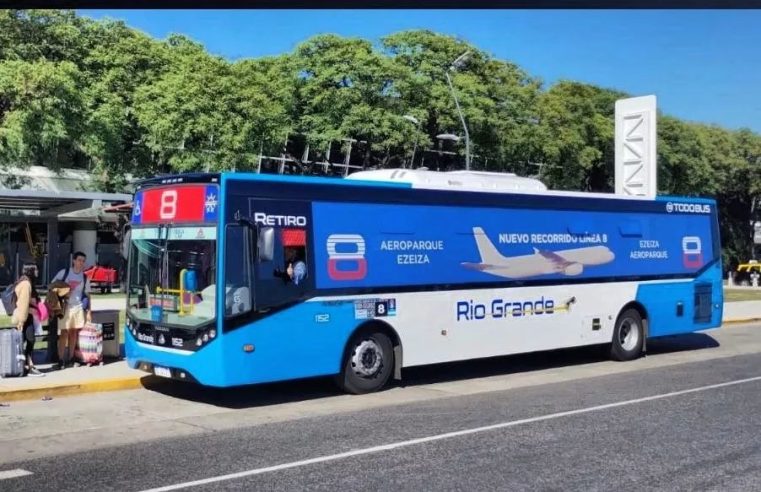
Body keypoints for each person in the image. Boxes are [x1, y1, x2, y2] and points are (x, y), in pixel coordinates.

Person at [52, 251, 92, 369]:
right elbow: (52, 286)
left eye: (83, 261)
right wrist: (63, 292)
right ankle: (60, 359)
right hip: (65, 307)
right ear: (73, 261)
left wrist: (89, 310)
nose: (81, 263)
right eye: (79, 260)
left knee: (74, 333)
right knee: (64, 333)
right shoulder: (64, 273)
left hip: (78, 307)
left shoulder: (84, 277)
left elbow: (88, 294)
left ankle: (71, 358)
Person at [13, 263, 44, 377]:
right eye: (35, 269)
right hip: (24, 317)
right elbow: (23, 304)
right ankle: (29, 366)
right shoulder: (26, 284)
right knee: (30, 340)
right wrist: (21, 321)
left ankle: (26, 365)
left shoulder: (27, 282)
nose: (37, 271)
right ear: (30, 270)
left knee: (28, 341)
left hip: (26, 316)